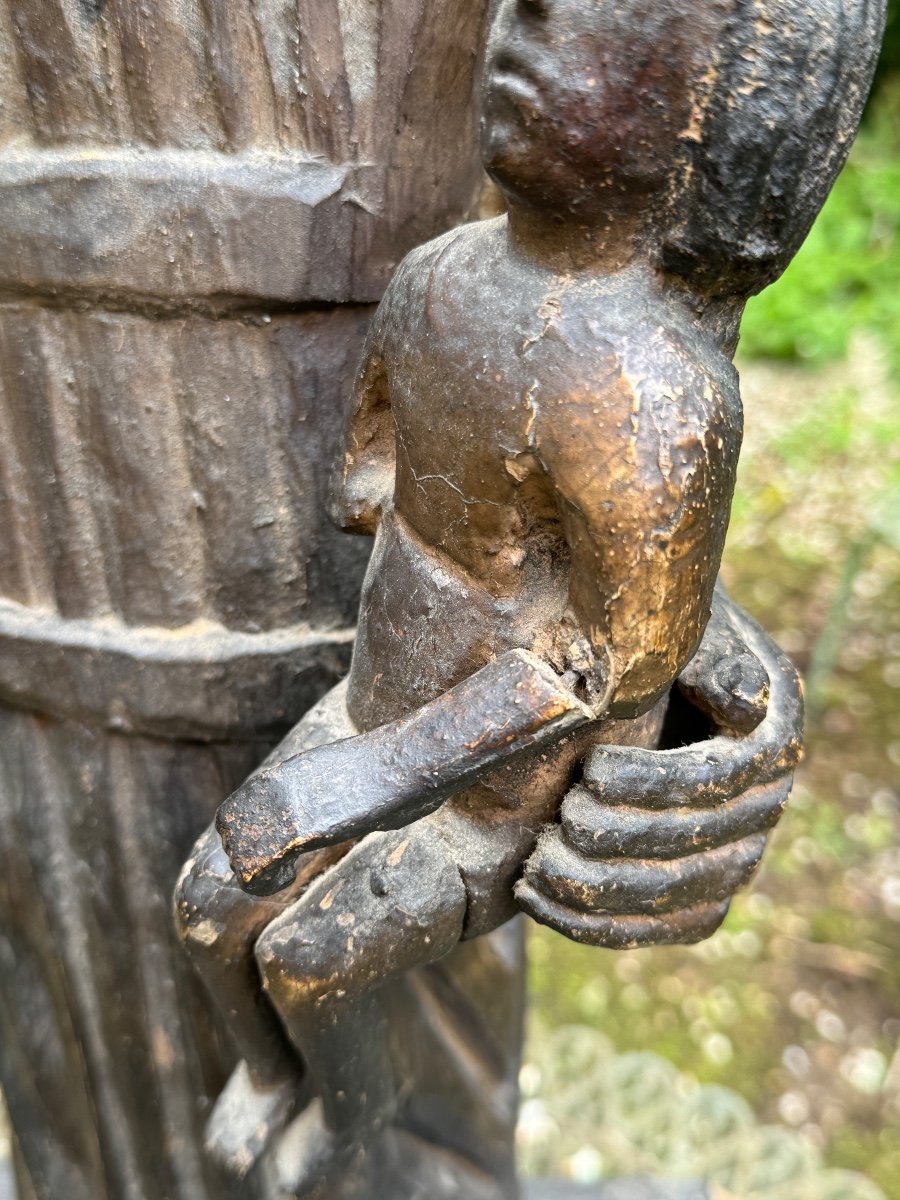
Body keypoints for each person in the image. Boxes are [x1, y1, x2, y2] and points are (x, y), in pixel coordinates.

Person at [175, 0, 878, 1189]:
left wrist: (361, 779)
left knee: (306, 956)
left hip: (490, 792)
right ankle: (272, 1071)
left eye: (614, 19)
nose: (526, 21)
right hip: (372, 702)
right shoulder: (439, 278)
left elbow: (604, 672)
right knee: (206, 906)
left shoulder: (649, 392)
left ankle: (354, 1102)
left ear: (719, 128)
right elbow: (368, 482)